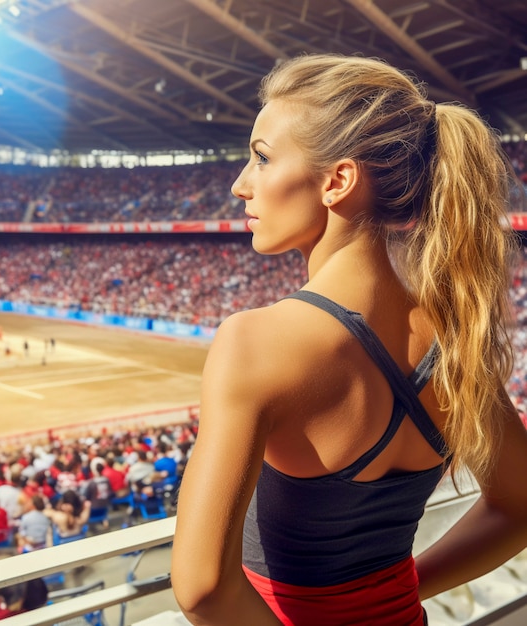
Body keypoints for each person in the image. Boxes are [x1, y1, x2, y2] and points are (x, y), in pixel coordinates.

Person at [171, 53, 527, 625]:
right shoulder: (454, 338)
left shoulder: (254, 342)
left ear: (338, 181)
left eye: (262, 159)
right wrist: (400, 591)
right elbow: (520, 509)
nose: (241, 184)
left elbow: (203, 588)